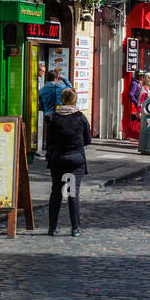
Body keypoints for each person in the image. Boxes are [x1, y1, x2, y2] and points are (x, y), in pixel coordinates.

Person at [45, 87, 92, 236]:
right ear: (74, 100)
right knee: (73, 192)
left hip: (58, 158)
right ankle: (75, 228)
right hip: (76, 159)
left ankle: (52, 228)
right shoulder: (81, 117)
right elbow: (88, 139)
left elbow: (49, 140)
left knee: (56, 192)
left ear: (63, 100)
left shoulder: (54, 117)